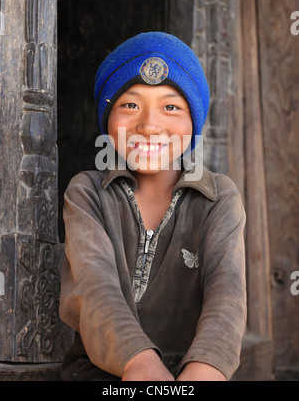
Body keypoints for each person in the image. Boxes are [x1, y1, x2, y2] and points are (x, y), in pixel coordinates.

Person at [59, 32, 246, 381]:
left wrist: (204, 371)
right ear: (107, 119)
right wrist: (141, 366)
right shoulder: (87, 194)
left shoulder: (218, 198)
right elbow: (95, 291)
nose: (149, 126)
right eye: (130, 105)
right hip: (103, 374)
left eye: (171, 106)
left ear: (194, 123)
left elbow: (227, 300)